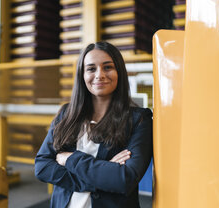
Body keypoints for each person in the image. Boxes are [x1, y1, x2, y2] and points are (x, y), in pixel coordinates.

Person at [34, 41, 153, 208]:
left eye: (107, 67)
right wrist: (103, 174)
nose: (99, 75)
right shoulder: (66, 114)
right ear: (82, 75)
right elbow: (42, 166)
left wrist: (71, 159)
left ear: (119, 72)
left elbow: (125, 178)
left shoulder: (139, 119)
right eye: (91, 69)